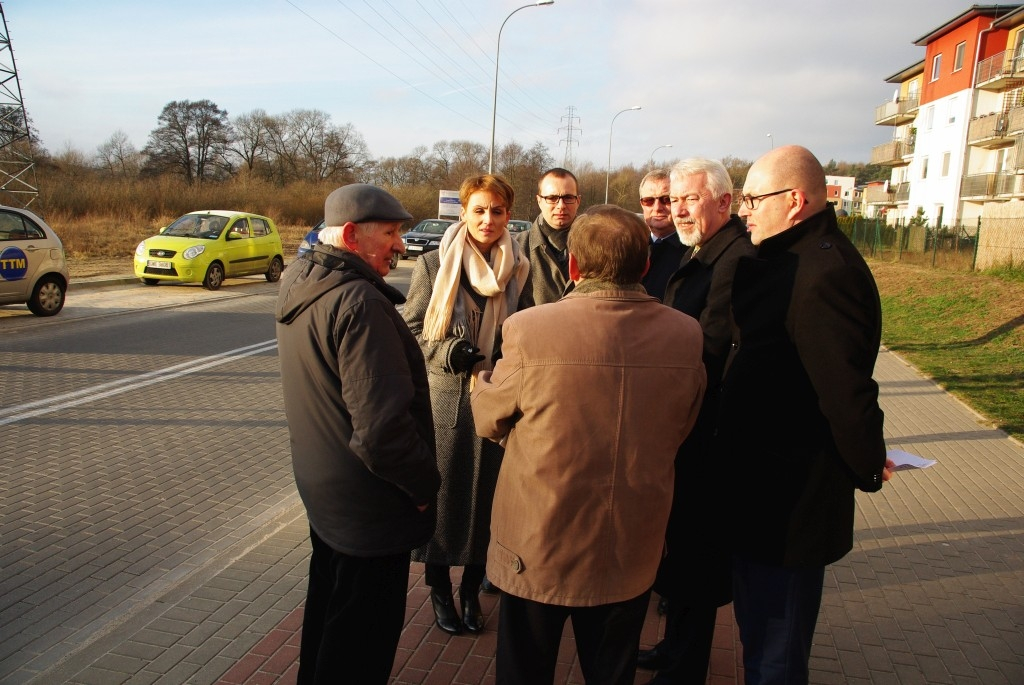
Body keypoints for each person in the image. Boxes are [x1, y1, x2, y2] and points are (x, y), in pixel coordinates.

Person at [471, 205, 707, 685]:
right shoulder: (686, 334)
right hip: (630, 540)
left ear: (573, 266)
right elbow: (684, 423)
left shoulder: (530, 329)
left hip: (539, 539)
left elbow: (488, 419)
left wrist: (481, 383)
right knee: (612, 669)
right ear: (644, 266)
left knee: (524, 668)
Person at [720, 145, 894, 684]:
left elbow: (845, 392)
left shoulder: (825, 272)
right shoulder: (783, 258)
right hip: (758, 493)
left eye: (753, 199)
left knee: (776, 653)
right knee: (758, 640)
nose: (744, 210)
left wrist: (869, 464)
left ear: (794, 200)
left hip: (789, 504)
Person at [275, 184, 440, 684]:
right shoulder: (359, 303)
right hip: (368, 506)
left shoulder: (304, 280)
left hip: (330, 496)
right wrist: (421, 488)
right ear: (350, 235)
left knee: (330, 618)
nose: (400, 245)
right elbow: (383, 430)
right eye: (390, 233)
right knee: (361, 644)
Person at [639, 158, 756, 685]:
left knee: (697, 558)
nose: (679, 209)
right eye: (675, 199)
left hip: (707, 433)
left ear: (724, 203)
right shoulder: (704, 251)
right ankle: (674, 649)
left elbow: (710, 350)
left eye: (690, 199)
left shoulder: (733, 260)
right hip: (690, 427)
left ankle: (684, 669)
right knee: (684, 555)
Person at [403, 174, 530, 635]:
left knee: (488, 505)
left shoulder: (521, 266)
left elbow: (529, 330)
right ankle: (439, 590)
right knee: (446, 498)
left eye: (497, 211)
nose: (488, 219)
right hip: (447, 401)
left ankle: (471, 591)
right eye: (479, 210)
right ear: (463, 213)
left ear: (508, 215)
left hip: (500, 401)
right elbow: (414, 328)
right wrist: (448, 352)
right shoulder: (435, 265)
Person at [517, 167, 582, 308]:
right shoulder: (517, 247)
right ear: (539, 201)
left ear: (578, 201)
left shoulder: (598, 246)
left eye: (568, 198)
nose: (561, 206)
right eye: (552, 198)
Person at [638, 169, 684, 300]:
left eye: (666, 199)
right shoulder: (632, 247)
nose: (657, 207)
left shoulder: (693, 252)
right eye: (649, 201)